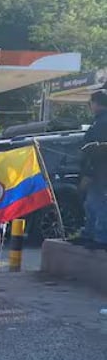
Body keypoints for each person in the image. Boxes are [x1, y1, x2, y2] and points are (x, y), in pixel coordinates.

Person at [76, 90, 107, 249]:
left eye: (91, 102)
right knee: (91, 204)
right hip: (98, 171)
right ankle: (91, 234)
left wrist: (88, 173)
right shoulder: (100, 121)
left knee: (98, 203)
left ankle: (100, 238)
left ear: (96, 103)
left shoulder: (102, 123)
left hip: (99, 172)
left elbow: (96, 151)